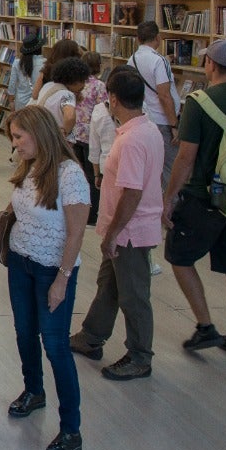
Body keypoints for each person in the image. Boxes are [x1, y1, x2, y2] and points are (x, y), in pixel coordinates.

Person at [0, 105, 89, 450]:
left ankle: (71, 429)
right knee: (24, 332)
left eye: (17, 137)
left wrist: (62, 279)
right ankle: (34, 391)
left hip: (50, 270)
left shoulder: (70, 174)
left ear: (39, 134)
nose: (13, 144)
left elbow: (75, 234)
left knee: (56, 346)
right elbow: (17, 205)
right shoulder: (30, 165)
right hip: (21, 262)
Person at [162, 39, 226, 363]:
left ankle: (206, 325)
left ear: (210, 64)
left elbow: (186, 157)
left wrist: (169, 197)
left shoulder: (199, 102)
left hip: (204, 196)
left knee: (179, 256)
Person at [70, 66, 164, 381]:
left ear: (113, 98)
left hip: (130, 233)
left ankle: (140, 356)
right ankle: (92, 335)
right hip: (127, 230)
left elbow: (132, 193)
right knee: (109, 285)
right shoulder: (146, 129)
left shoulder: (132, 139)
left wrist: (112, 234)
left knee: (133, 295)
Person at [129, 21, 181, 186]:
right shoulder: (159, 61)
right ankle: (168, 207)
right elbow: (164, 96)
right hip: (162, 121)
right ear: (158, 38)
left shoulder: (132, 60)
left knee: (148, 169)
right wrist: (174, 125)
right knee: (169, 169)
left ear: (138, 39)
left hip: (143, 119)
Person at [74, 52, 110, 222]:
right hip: (91, 134)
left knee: (80, 173)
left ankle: (80, 208)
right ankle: (93, 213)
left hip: (76, 131)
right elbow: (104, 108)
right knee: (93, 174)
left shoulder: (77, 83)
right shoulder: (99, 86)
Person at [36, 57, 89, 139]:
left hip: (41, 134)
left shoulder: (48, 85)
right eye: (83, 80)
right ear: (74, 80)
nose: (84, 85)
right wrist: (65, 134)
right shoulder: (68, 95)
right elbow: (70, 116)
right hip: (54, 139)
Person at [8, 35, 45, 112]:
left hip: (21, 103)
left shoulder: (17, 63)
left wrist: (11, 102)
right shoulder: (45, 63)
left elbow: (12, 85)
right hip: (38, 103)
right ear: (39, 48)